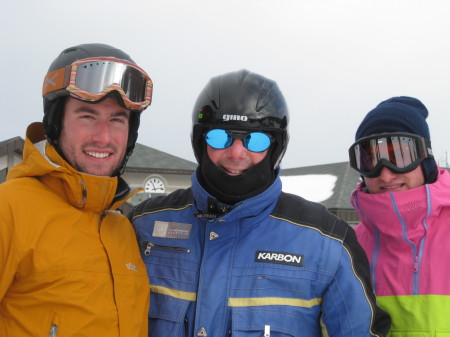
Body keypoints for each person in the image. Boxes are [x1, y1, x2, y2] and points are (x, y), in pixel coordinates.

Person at [130, 69, 391, 337]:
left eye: (256, 140)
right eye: (220, 137)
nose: (236, 153)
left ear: (275, 147)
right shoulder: (143, 225)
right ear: (200, 140)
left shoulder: (326, 241)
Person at [0, 43, 153, 336]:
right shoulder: (8, 210)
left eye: (117, 120)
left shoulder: (122, 229)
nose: (104, 137)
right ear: (56, 124)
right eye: (87, 116)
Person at [349, 96, 450, 335]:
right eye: (370, 159)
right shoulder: (349, 247)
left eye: (400, 156)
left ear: (425, 158)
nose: (385, 175)